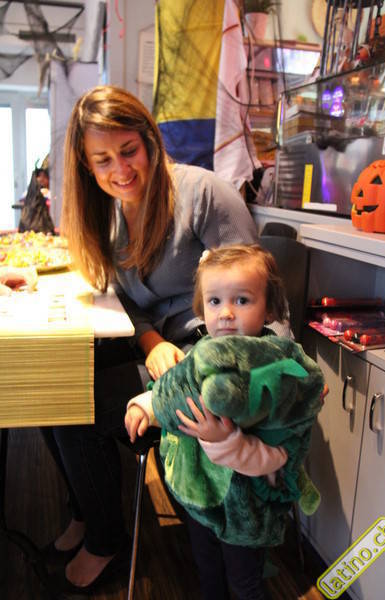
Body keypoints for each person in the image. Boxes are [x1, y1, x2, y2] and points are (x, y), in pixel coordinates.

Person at [40, 84, 260, 594]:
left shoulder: (202, 194)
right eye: (102, 160)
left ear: (150, 140)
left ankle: (106, 539)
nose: (119, 169)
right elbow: (129, 300)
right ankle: (85, 512)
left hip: (218, 359)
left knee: (73, 407)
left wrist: (187, 371)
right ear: (86, 165)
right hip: (165, 353)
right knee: (55, 384)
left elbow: (260, 305)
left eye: (128, 151)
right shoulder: (110, 213)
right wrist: (152, 342)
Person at [125, 244, 325, 600]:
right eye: (215, 301)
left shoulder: (278, 373)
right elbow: (173, 390)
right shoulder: (203, 352)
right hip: (202, 498)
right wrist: (144, 407)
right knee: (208, 570)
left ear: (269, 309)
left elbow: (277, 459)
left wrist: (225, 440)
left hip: (246, 511)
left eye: (242, 300)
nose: (226, 313)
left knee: (245, 583)